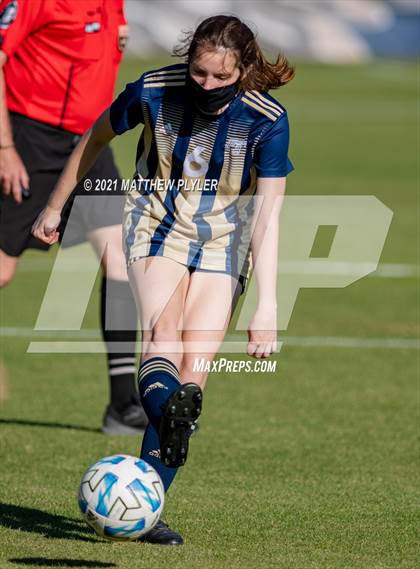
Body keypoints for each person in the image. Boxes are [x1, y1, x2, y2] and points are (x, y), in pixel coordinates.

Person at [33, 15, 295, 545]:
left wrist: (267, 305)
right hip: (154, 225)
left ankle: (145, 505)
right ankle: (164, 441)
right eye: (199, 72)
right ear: (188, 59)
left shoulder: (266, 118)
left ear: (244, 70)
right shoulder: (153, 90)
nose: (207, 85)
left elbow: (268, 218)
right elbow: (95, 137)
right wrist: (56, 206)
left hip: (225, 241)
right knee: (163, 335)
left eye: (221, 77)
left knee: (193, 378)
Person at [0, 0, 147, 434]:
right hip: (29, 140)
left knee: (121, 261)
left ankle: (123, 405)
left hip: (88, 147)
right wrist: (4, 148)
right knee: (3, 270)